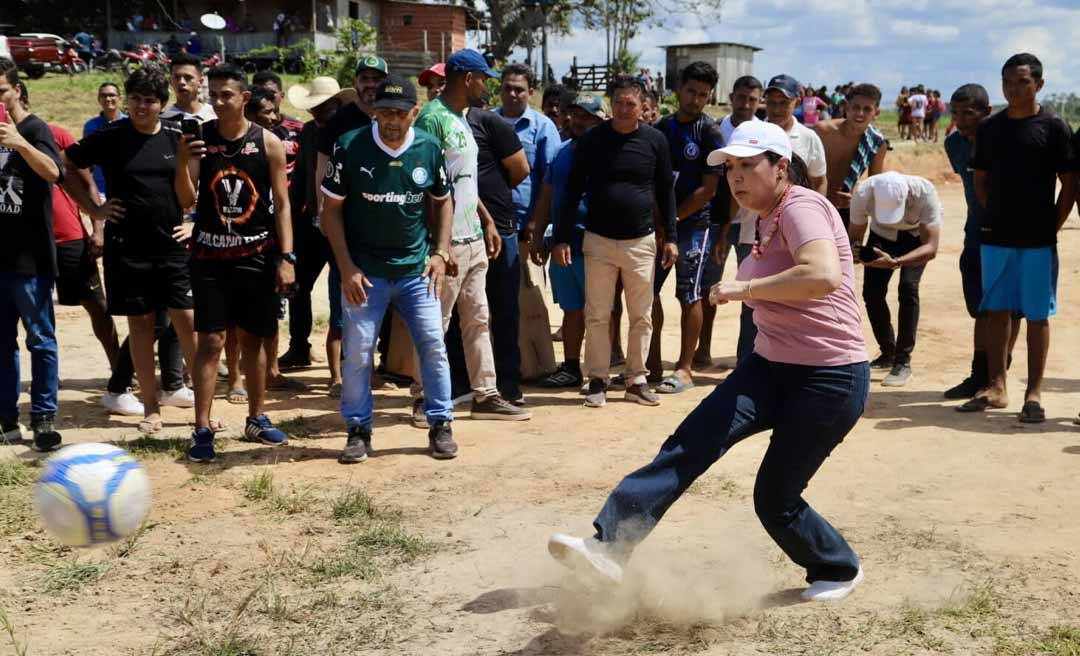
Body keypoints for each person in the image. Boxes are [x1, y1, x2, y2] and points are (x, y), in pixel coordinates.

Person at [548, 120, 869, 603]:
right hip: (770, 367)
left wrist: (745, 289)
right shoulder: (765, 216)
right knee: (689, 444)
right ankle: (610, 546)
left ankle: (837, 567)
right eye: (731, 168)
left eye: (747, 166)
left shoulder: (803, 206)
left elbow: (822, 275)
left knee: (775, 499)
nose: (735, 178)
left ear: (781, 168)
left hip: (829, 378)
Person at [320, 74, 458, 462]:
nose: (392, 121)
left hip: (416, 271)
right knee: (359, 352)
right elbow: (329, 212)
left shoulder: (429, 148)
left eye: (400, 113)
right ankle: (358, 430)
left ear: (414, 112)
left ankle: (440, 424)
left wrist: (440, 252)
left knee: (432, 344)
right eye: (384, 113)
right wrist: (346, 268)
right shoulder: (350, 147)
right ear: (373, 112)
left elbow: (443, 200)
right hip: (365, 273)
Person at [63, 66, 198, 436]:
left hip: (171, 245)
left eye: (149, 100)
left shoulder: (177, 136)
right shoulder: (111, 136)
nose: (141, 106)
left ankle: (203, 412)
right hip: (127, 248)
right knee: (141, 327)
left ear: (162, 104)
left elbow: (188, 197)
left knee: (187, 323)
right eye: (135, 99)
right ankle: (151, 409)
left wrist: (191, 215)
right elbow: (67, 163)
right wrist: (94, 210)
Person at [175, 64, 296, 462]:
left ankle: (257, 417)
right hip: (209, 257)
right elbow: (186, 199)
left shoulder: (269, 143)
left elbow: (282, 204)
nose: (218, 100)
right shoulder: (199, 139)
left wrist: (287, 257)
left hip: (256, 256)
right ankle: (202, 427)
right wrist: (181, 161)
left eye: (226, 94)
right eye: (214, 93)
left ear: (244, 98)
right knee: (210, 340)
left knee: (254, 339)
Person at [959, 54, 1075, 423]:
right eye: (1008, 82)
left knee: (1038, 316)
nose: (1014, 89)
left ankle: (1034, 393)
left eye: (1022, 82)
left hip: (1039, 240)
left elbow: (1069, 186)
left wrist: (1051, 226)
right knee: (996, 311)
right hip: (996, 237)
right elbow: (979, 178)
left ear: (1039, 84)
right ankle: (997, 386)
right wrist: (994, 215)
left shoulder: (1055, 127)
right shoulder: (991, 129)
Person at [414, 49, 527, 420]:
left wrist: (488, 221)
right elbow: (426, 186)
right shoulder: (432, 119)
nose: (486, 87)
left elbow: (464, 181)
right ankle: (422, 397)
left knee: (479, 319)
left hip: (474, 237)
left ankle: (485, 394)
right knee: (437, 324)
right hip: (446, 244)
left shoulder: (463, 118)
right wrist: (438, 246)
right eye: (483, 79)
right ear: (467, 79)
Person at [554, 75, 678, 408]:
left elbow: (666, 191)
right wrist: (563, 237)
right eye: (619, 103)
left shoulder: (656, 141)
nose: (624, 110)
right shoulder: (593, 140)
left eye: (631, 104)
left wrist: (671, 238)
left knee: (642, 314)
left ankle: (636, 379)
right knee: (597, 313)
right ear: (611, 104)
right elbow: (571, 190)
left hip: (642, 241)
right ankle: (597, 379)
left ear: (643, 107)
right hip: (598, 240)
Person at [646, 62, 725, 394]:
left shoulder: (709, 132)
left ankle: (685, 368)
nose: (696, 99)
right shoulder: (661, 127)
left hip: (693, 225)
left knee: (690, 294)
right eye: (691, 91)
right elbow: (651, 178)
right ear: (678, 89)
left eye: (703, 94)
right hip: (659, 225)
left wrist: (673, 220)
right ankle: (650, 363)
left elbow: (709, 189)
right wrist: (660, 220)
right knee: (647, 291)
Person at [0, 57, 64, 452]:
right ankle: (6, 418)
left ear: (17, 90)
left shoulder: (35, 128)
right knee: (1, 343)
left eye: (1, 91)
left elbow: (55, 173)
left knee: (40, 340)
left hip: (31, 260)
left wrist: (20, 143)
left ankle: (43, 418)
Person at [943, 83, 1018, 400]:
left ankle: (997, 374)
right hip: (974, 234)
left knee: (1008, 310)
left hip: (1010, 234)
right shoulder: (954, 144)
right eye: (956, 112)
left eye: (968, 112)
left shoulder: (1006, 140)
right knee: (980, 309)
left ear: (986, 112)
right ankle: (979, 375)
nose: (960, 119)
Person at [285, 77, 355, 397]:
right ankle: (299, 346)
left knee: (344, 294)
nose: (316, 112)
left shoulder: (352, 131)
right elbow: (301, 175)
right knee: (298, 286)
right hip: (312, 223)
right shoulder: (310, 132)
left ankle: (344, 366)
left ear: (337, 104)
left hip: (343, 224)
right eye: (313, 108)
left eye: (322, 107)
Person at [530, 93, 606, 388]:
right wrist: (538, 236)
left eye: (587, 116)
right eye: (575, 114)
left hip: (597, 244)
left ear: (600, 120)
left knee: (601, 312)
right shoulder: (561, 152)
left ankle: (600, 371)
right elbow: (546, 195)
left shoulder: (609, 153)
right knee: (572, 309)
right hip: (563, 243)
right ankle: (572, 368)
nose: (579, 121)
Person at [495, 63, 560, 404]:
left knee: (528, 301)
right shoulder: (484, 121)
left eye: (520, 89)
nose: (513, 94)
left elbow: (550, 181)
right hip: (488, 228)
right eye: (507, 87)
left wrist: (537, 226)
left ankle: (534, 367)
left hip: (524, 230)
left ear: (530, 92)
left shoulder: (543, 127)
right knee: (493, 305)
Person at [849, 172, 942, 386]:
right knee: (872, 293)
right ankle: (887, 352)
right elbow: (854, 236)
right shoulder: (863, 192)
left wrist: (896, 262)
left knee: (908, 288)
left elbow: (931, 247)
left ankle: (903, 362)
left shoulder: (925, 192)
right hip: (881, 236)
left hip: (916, 238)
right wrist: (856, 253)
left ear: (907, 196)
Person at [704, 74, 763, 368]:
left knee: (750, 292)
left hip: (754, 223)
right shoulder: (717, 131)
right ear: (731, 97)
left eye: (753, 99)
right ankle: (701, 351)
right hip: (717, 222)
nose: (746, 104)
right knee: (708, 288)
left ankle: (746, 360)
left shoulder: (765, 134)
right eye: (741, 98)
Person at [815, 83, 888, 229]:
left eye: (867, 109)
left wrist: (856, 197)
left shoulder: (876, 142)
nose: (860, 113)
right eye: (855, 107)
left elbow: (874, 184)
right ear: (846, 108)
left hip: (846, 209)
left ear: (876, 113)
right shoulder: (822, 131)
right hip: (815, 205)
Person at [763, 75, 828, 196]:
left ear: (797, 102)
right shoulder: (753, 133)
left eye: (784, 103)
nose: (777, 109)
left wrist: (814, 211)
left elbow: (819, 182)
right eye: (772, 102)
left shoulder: (809, 138)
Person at [83, 82, 125, 201]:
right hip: (101, 189)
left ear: (119, 98)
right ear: (99, 100)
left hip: (127, 187)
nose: (108, 99)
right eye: (103, 95)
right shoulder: (90, 126)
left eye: (112, 95)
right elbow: (87, 160)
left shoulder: (131, 123)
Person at [160, 52, 216, 123]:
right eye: (177, 77)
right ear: (170, 81)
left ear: (200, 82)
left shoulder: (215, 115)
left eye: (188, 77)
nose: (181, 82)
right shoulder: (163, 121)